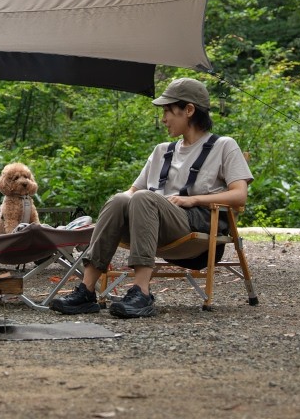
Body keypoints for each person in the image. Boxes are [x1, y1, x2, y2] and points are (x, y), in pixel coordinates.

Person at [49, 77, 251, 318]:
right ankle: (87, 291)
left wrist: (194, 199)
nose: (163, 119)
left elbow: (240, 195)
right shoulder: (161, 151)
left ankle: (141, 292)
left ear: (189, 110)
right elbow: (131, 192)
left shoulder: (224, 146)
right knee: (119, 199)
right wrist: (113, 209)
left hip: (194, 227)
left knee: (143, 198)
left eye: (167, 111)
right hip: (149, 224)